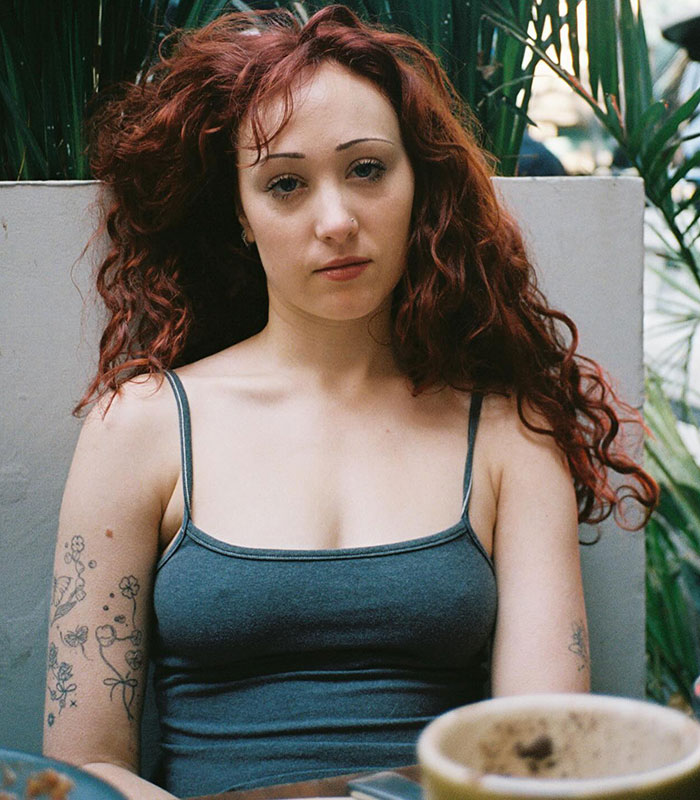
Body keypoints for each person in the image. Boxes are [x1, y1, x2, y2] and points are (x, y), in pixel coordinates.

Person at [43, 6, 657, 799]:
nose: (336, 222)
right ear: (239, 211)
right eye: (286, 184)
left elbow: (539, 750)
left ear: (417, 181)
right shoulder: (143, 423)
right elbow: (85, 768)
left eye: (367, 169)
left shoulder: (506, 430)